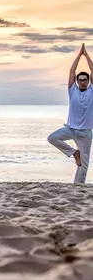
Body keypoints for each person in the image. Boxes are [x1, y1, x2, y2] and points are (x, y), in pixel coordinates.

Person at [48, 43, 93, 184]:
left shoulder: (92, 91)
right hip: (71, 129)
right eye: (80, 80)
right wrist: (79, 55)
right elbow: (72, 69)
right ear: (77, 82)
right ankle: (74, 153)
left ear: (88, 81)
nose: (82, 82)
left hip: (85, 132)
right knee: (52, 138)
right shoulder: (72, 90)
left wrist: (86, 56)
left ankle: (77, 187)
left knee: (84, 164)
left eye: (85, 80)